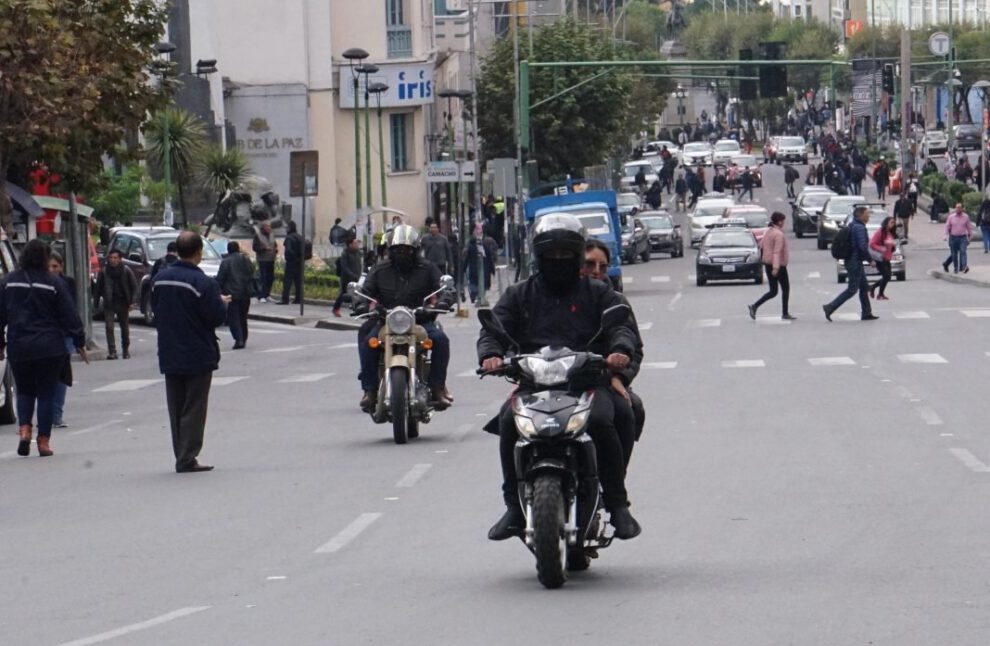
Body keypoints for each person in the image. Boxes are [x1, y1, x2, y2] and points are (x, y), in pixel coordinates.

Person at [479, 214, 641, 541]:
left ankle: (617, 503)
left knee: (608, 417)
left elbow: (622, 329)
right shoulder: (519, 294)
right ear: (538, 256)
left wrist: (618, 353)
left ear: (577, 256)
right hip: (533, 383)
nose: (558, 262)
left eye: (565, 256)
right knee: (508, 420)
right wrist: (490, 355)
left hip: (588, 383)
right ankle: (513, 506)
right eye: (551, 256)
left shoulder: (599, 294)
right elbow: (493, 329)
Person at [151, 231, 230, 473]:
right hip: (197, 352)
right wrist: (222, 303)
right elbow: (215, 316)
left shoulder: (160, 280)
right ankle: (187, 457)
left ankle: (181, 453)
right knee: (194, 407)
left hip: (169, 350)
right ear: (198, 252)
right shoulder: (203, 283)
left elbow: (156, 311)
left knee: (176, 406)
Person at [0, 240, 87, 457]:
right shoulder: (53, 283)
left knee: (24, 391)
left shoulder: (9, 283)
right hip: (50, 347)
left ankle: (24, 430)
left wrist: (1, 344)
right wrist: (79, 341)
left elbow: (0, 315)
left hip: (20, 345)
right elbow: (70, 314)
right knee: (46, 394)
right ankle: (43, 441)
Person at [357, 224, 453, 411]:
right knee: (369, 342)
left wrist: (443, 301)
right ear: (391, 250)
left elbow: (445, 288)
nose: (402, 253)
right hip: (387, 320)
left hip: (420, 320)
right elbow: (365, 290)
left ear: (415, 250)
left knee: (441, 340)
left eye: (407, 250)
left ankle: (437, 387)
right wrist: (360, 302)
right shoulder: (379, 269)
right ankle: (369, 390)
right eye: (398, 250)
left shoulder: (427, 268)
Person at [581, 238, 646, 461]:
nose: (596, 272)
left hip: (602, 380)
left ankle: (615, 483)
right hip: (557, 381)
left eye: (603, 266)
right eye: (589, 264)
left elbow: (634, 348)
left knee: (629, 409)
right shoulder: (556, 297)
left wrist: (618, 376)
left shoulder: (616, 300)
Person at [823, 206, 878, 322]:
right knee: (852, 289)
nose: (868, 216)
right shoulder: (859, 228)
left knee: (864, 287)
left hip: (853, 260)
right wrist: (870, 260)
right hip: (854, 262)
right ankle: (830, 307)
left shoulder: (854, 225)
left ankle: (866, 312)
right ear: (860, 215)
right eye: (867, 214)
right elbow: (862, 247)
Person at [748, 212, 794, 321]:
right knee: (785, 288)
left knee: (773, 291)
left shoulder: (768, 231)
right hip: (777, 265)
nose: (784, 223)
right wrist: (776, 267)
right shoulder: (778, 234)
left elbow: (761, 245)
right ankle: (785, 313)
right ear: (779, 221)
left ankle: (755, 306)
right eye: (783, 221)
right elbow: (777, 252)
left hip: (768, 263)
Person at [49, 251, 77, 428]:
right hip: (45, 335)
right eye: (49, 267)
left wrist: (77, 336)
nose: (52, 270)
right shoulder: (38, 284)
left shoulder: (67, 283)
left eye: (55, 266)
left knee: (61, 376)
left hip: (64, 334)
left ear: (61, 267)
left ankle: (56, 414)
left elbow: (71, 310)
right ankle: (44, 414)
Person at [94, 249, 137, 360]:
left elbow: (134, 287)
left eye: (115, 258)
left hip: (123, 302)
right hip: (109, 302)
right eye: (111, 258)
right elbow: (98, 287)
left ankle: (125, 349)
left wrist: (132, 301)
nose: (113, 260)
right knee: (109, 327)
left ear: (120, 259)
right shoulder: (104, 272)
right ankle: (112, 351)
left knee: (124, 327)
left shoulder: (126, 270)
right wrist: (96, 302)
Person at [216, 241, 255, 349]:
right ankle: (244, 337)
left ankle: (239, 339)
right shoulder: (246, 260)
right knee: (243, 317)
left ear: (228, 250)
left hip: (231, 293)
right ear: (238, 249)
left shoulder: (226, 262)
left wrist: (217, 289)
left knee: (234, 318)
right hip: (245, 292)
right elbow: (252, 272)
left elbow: (221, 277)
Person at [332, 235, 363, 317]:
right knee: (343, 294)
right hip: (346, 279)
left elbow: (360, 264)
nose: (357, 245)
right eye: (355, 243)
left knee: (357, 294)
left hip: (357, 277)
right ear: (350, 244)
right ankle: (335, 308)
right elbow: (344, 267)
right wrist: (352, 275)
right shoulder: (345, 254)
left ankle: (357, 310)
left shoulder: (358, 252)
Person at [868, 216, 897, 301]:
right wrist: (881, 249)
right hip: (880, 258)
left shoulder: (890, 233)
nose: (893, 224)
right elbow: (872, 244)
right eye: (891, 222)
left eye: (893, 223)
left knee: (888, 277)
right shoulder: (880, 232)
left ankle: (877, 291)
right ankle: (877, 292)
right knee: (886, 275)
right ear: (886, 223)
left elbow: (890, 243)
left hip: (887, 257)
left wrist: (893, 247)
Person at [942, 203, 973, 274]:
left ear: (962, 209)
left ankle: (964, 267)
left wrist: (970, 235)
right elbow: (947, 227)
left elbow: (969, 227)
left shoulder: (966, 217)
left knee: (963, 251)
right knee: (954, 254)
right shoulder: (951, 217)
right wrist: (945, 235)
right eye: (957, 208)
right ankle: (954, 267)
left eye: (959, 208)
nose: (958, 209)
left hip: (962, 237)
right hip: (953, 237)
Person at [279, 220, 303, 304]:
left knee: (287, 281)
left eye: (287, 227)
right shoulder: (299, 236)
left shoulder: (289, 238)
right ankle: (298, 298)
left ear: (290, 228)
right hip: (300, 262)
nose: (286, 229)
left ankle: (285, 299)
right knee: (298, 281)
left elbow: (289, 250)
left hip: (291, 262)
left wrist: (294, 257)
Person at [252, 222, 277, 302]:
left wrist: (275, 249)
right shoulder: (258, 235)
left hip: (271, 259)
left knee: (270, 277)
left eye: (270, 226)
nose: (269, 228)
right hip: (262, 259)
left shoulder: (272, 234)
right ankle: (261, 295)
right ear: (263, 228)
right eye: (267, 227)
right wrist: (264, 248)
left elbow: (274, 244)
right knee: (263, 277)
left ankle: (267, 294)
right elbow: (255, 247)